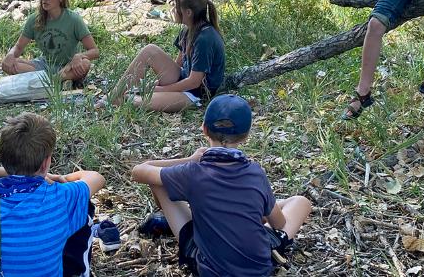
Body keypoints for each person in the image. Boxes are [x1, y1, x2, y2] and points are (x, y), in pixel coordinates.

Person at [132, 94, 312, 276]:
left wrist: (189, 159)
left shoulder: (191, 172)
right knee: (300, 202)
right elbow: (280, 223)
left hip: (208, 268)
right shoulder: (256, 173)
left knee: (160, 181)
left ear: (204, 129)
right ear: (246, 135)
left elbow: (139, 171)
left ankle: (173, 220)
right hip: (260, 265)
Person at [0, 112, 105, 276]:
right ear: (46, 163)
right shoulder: (61, 198)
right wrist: (59, 179)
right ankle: (78, 271)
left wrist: (9, 172)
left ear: (2, 158)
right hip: (47, 183)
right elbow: (96, 178)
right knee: (84, 205)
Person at [99, 0, 224, 112]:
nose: (173, 10)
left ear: (188, 12)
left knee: (131, 100)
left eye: (176, 8)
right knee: (150, 50)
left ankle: (117, 99)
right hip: (182, 80)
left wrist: (163, 89)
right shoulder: (188, 30)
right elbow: (178, 65)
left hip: (196, 94)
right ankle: (114, 95)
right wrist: (157, 84)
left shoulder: (205, 38)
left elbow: (194, 82)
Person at [1, 0, 99, 86]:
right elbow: (18, 47)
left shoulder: (74, 19)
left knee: (85, 63)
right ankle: (56, 82)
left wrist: (79, 56)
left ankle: (50, 81)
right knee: (11, 64)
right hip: (42, 66)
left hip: (68, 67)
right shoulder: (34, 19)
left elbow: (94, 51)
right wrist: (10, 55)